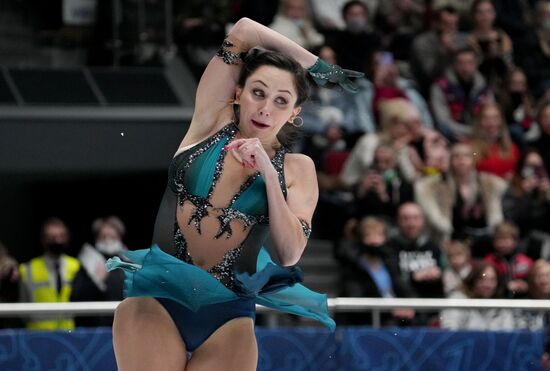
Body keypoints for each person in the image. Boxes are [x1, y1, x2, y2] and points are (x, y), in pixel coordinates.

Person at [105, 17, 362, 370]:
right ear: (239, 93)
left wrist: (269, 175)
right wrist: (315, 64)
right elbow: (244, 31)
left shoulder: (298, 169)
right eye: (258, 92)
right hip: (158, 298)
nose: (266, 109)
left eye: (281, 101)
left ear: (295, 113)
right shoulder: (212, 119)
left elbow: (289, 253)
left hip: (229, 317)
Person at [414, 143, 507, 248]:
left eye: (466, 156)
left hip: (484, 239)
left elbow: (496, 214)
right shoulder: (434, 185)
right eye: (456, 156)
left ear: (473, 160)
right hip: (449, 240)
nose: (461, 161)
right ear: (450, 160)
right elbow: (435, 217)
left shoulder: (489, 183)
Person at [338, 217, 415, 325]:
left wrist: (409, 307)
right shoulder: (353, 266)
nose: (375, 241)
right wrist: (390, 310)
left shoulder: (390, 263)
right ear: (361, 239)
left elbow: (403, 288)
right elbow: (356, 298)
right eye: (369, 235)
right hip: (366, 323)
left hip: (393, 321)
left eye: (379, 235)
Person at [19, 218, 80, 330]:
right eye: (52, 237)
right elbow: (22, 309)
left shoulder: (76, 266)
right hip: (37, 334)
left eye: (61, 236)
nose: (57, 241)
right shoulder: (27, 269)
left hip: (69, 334)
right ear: (43, 240)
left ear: (67, 238)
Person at [70, 216, 127, 327]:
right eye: (104, 236)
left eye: (112, 236)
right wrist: (96, 282)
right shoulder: (87, 265)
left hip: (123, 326)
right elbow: (76, 297)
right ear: (96, 238)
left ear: (120, 237)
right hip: (96, 330)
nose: (108, 240)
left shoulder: (129, 263)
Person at [430, 46, 493, 142]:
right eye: (461, 63)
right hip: (454, 134)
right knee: (443, 130)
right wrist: (470, 132)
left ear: (476, 64)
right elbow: (443, 121)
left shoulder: (483, 87)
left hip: (480, 132)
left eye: (470, 63)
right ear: (454, 64)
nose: (466, 68)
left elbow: (492, 114)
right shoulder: (441, 86)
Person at [440, 261, 515, 330]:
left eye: (492, 280)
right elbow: (450, 330)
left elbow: (509, 333)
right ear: (473, 280)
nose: (487, 285)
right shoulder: (457, 299)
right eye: (482, 279)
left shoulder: (502, 306)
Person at [484, 221, 533, 298]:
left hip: (524, 301)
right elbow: (483, 282)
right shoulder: (488, 261)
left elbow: (534, 281)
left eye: (506, 239)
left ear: (515, 241)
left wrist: (527, 285)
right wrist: (506, 286)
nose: (503, 243)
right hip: (498, 300)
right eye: (499, 239)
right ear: (494, 241)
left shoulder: (526, 261)